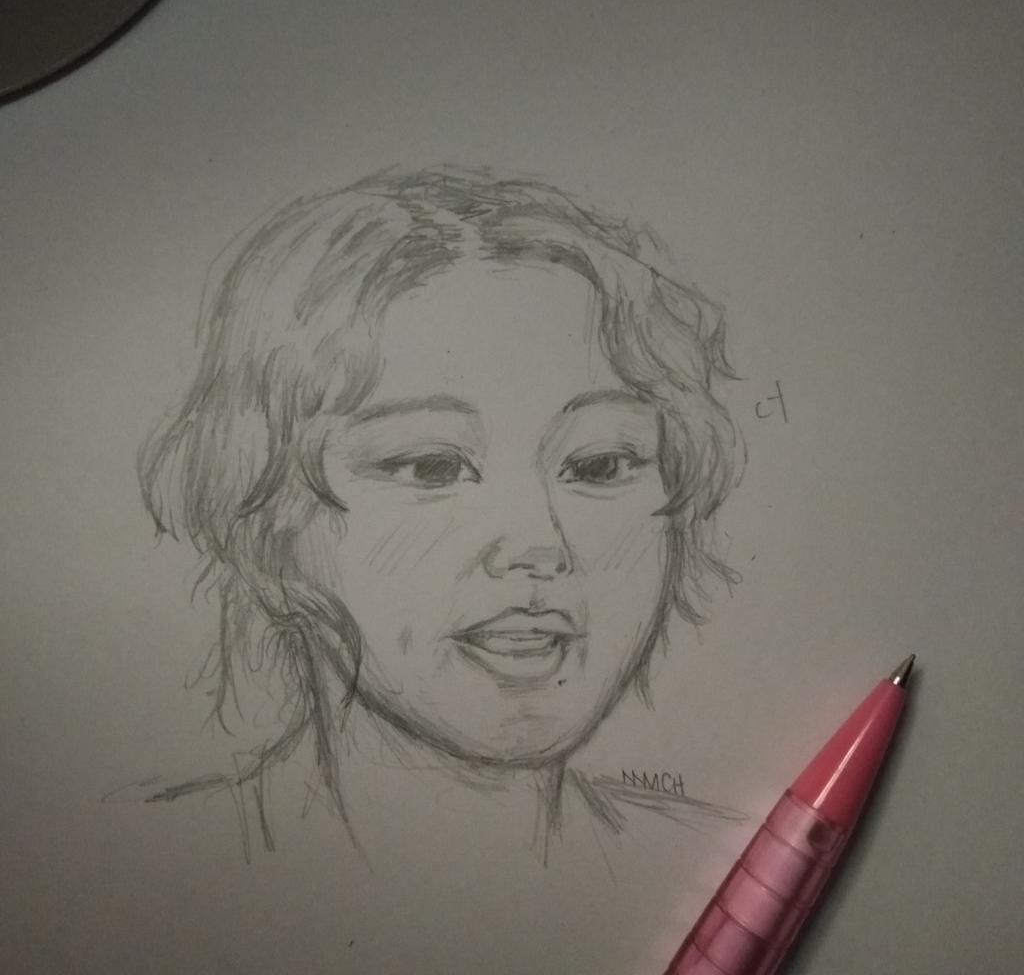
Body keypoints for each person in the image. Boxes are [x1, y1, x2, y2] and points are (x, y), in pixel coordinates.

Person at [138, 165, 743, 860]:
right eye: (433, 467)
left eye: (599, 465)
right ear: (269, 530)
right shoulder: (149, 863)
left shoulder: (721, 857)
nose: (538, 545)